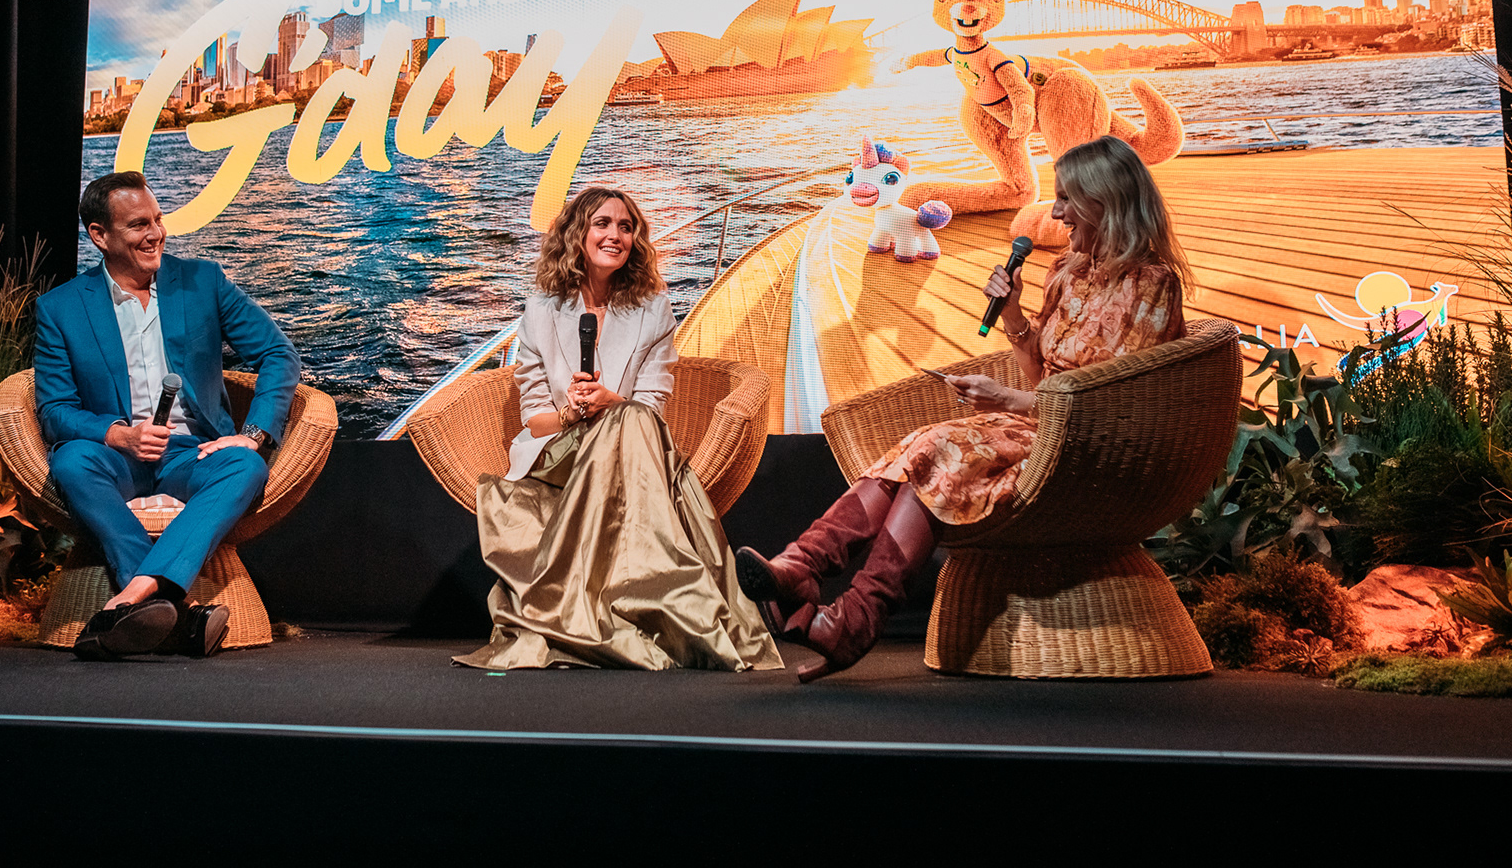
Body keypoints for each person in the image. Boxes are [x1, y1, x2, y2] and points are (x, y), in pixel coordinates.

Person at [737, 135, 1192, 681]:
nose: (1056, 213)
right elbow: (1044, 374)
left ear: (1107, 201)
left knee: (937, 448)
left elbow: (1113, 406)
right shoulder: (1069, 272)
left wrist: (1008, 399)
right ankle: (811, 576)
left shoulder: (1153, 286)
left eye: (1067, 199)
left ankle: (839, 601)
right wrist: (1013, 312)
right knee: (921, 448)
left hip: (1088, 449)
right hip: (1037, 428)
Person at [456, 187, 783, 671]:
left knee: (630, 418)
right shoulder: (542, 309)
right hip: (560, 452)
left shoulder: (653, 309)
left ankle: (659, 607)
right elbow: (535, 418)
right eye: (603, 224)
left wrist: (611, 403)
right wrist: (571, 413)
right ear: (577, 234)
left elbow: (651, 407)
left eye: (626, 227)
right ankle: (674, 608)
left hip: (631, 445)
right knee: (626, 423)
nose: (615, 235)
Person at [35, 170, 300, 660]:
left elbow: (278, 354)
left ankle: (134, 596)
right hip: (117, 459)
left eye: (158, 220)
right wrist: (118, 435)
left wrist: (253, 433)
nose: (155, 233)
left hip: (191, 453)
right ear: (100, 235)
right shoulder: (61, 308)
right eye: (138, 225)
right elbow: (54, 410)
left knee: (245, 465)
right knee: (71, 461)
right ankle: (185, 611)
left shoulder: (203, 282)